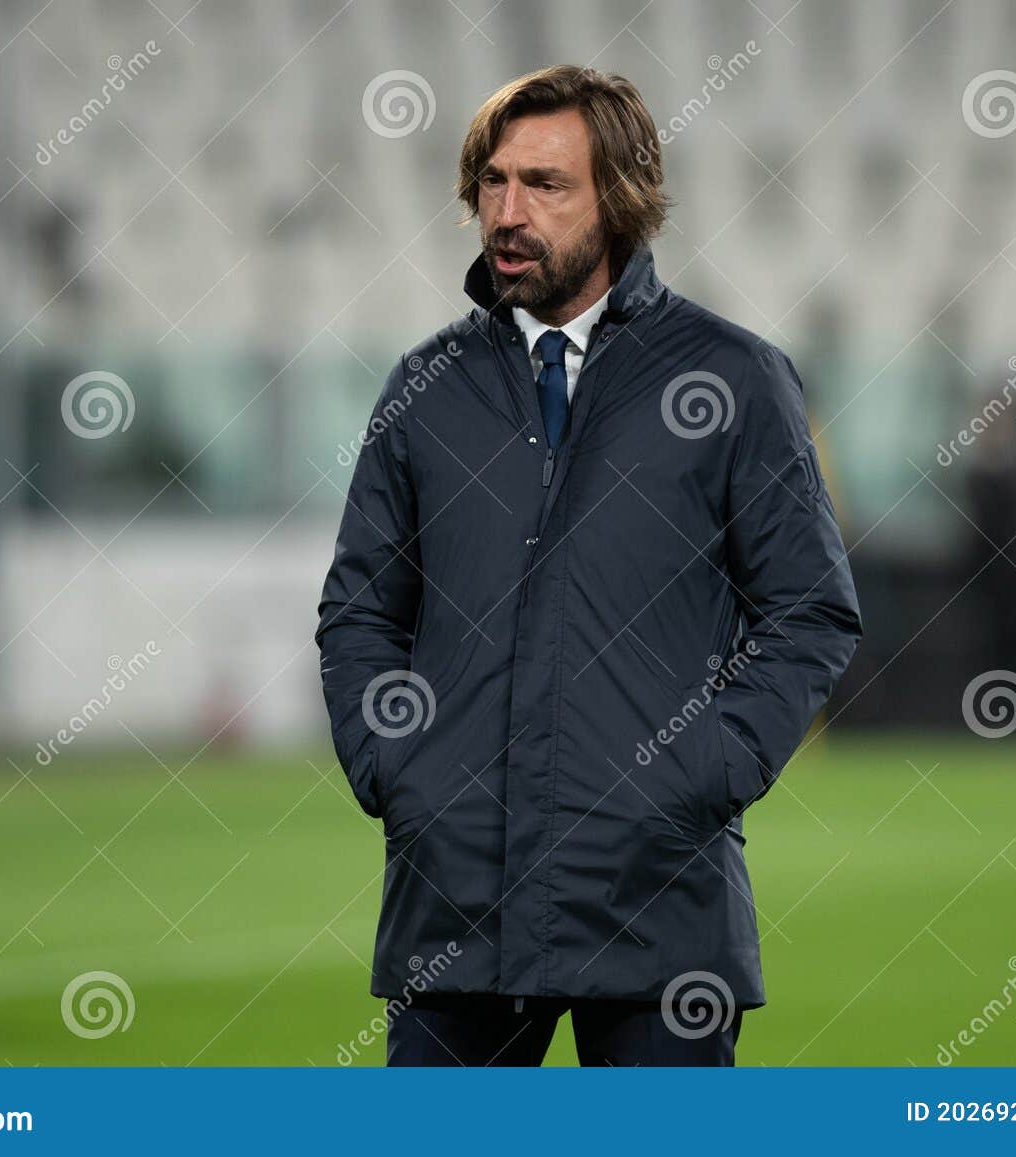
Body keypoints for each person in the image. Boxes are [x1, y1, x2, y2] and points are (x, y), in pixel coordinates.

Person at [315, 65, 861, 1066]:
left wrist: (706, 772)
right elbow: (358, 613)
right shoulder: (425, 387)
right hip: (455, 908)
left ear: (618, 196)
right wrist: (395, 770)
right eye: (492, 181)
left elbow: (808, 611)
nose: (507, 211)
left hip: (660, 907)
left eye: (544, 184)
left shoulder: (733, 378)